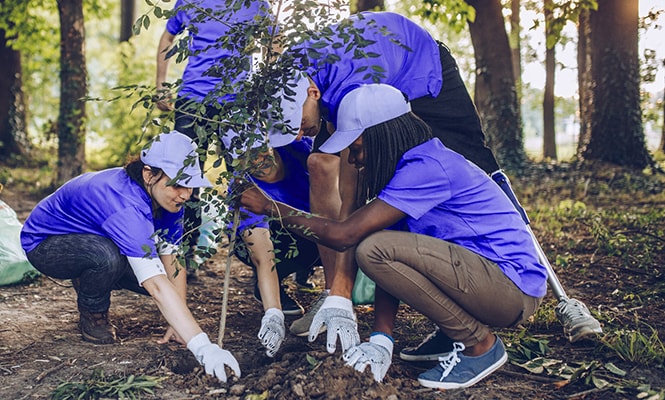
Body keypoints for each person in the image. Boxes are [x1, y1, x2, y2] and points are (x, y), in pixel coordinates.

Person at [238, 84, 547, 388]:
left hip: (510, 289)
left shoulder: (427, 167)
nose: (355, 161)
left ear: (381, 136)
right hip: (487, 283)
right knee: (379, 246)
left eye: (356, 149)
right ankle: (452, 333)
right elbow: (389, 264)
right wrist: (381, 340)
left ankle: (479, 345)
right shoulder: (406, 172)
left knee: (372, 248)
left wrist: (270, 207)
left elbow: (346, 236)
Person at [273, 12, 505, 346]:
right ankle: (330, 293)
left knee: (473, 160)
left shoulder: (354, 85)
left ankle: (490, 274)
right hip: (361, 68)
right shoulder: (291, 70)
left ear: (313, 94)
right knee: (321, 161)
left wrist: (345, 287)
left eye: (296, 124)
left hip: (419, 64)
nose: (296, 135)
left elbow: (351, 193)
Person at [20, 131, 240, 383]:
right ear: (149, 174)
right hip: (46, 245)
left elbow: (172, 258)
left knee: (158, 280)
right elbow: (156, 285)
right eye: (179, 184)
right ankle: (93, 313)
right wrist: (203, 347)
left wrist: (179, 325)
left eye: (190, 185)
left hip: (96, 237)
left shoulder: (169, 199)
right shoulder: (125, 205)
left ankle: (94, 275)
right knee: (107, 258)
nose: (186, 194)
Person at [155, 0, 272, 269]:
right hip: (192, 101)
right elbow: (168, 35)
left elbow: (274, 39)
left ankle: (260, 265)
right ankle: (180, 257)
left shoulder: (256, 3)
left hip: (239, 103)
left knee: (246, 181)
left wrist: (265, 81)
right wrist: (161, 84)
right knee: (182, 177)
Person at [227, 133, 321, 357]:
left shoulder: (298, 150)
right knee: (273, 245)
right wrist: (273, 314)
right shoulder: (245, 189)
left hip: (319, 228)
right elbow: (264, 256)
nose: (256, 161)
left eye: (259, 151)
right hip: (282, 242)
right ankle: (270, 287)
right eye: (244, 157)